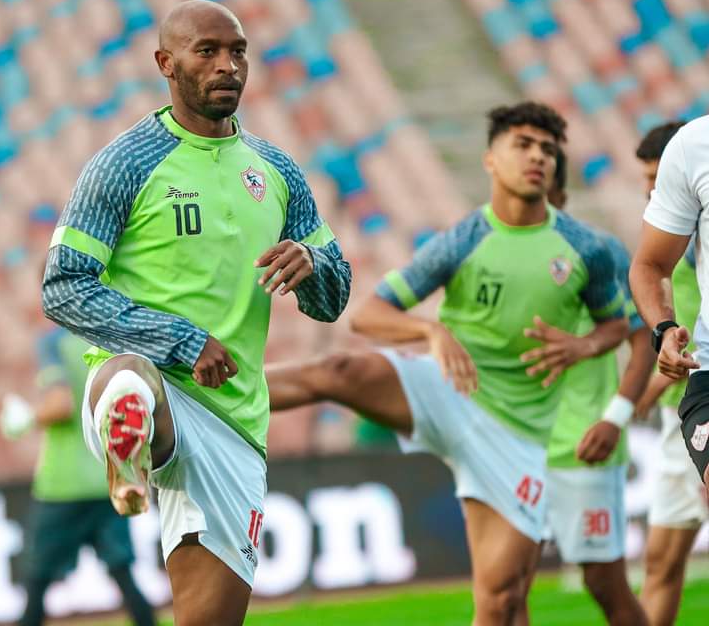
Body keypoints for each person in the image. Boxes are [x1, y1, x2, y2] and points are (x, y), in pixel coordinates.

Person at [42, 0, 352, 626]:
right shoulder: (124, 163)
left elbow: (334, 297)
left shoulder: (277, 170)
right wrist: (181, 341)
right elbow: (62, 286)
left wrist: (313, 265)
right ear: (166, 63)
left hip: (233, 418)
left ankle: (134, 434)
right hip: (151, 380)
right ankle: (127, 439)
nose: (227, 65)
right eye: (206, 51)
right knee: (130, 377)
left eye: (237, 51)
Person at [265, 102, 627, 626]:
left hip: (517, 434)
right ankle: (212, 395)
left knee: (502, 600)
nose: (538, 157)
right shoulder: (463, 239)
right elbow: (368, 315)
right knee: (339, 372)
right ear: (490, 159)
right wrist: (432, 331)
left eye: (548, 150)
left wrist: (584, 346)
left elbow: (616, 326)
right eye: (523, 145)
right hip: (450, 388)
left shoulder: (586, 248)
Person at [536, 147, 652, 626]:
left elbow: (643, 339)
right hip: (514, 448)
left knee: (605, 585)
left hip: (583, 445)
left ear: (560, 195)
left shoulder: (597, 251)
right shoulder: (487, 251)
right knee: (503, 585)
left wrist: (615, 418)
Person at [0, 326, 155, 626]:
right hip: (109, 476)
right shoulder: (109, 337)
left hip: (64, 486)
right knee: (124, 576)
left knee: (36, 582)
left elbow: (61, 405)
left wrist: (27, 418)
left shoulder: (53, 343)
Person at [630, 117, 709, 624]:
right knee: (660, 562)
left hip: (679, 396)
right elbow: (649, 275)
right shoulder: (668, 235)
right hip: (686, 403)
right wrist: (664, 334)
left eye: (654, 177)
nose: (650, 189)